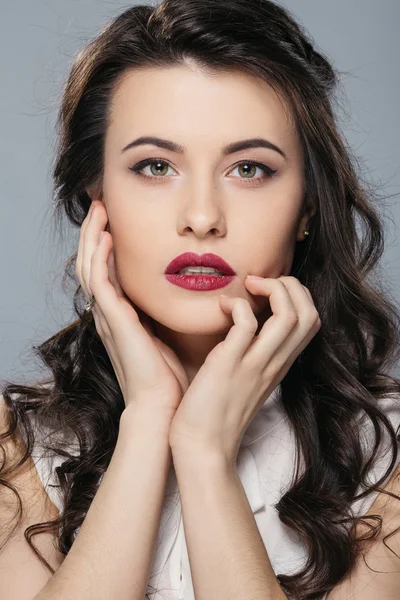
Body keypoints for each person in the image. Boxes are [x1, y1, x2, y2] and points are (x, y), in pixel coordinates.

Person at [1, 0, 399, 598]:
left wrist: (206, 451)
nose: (203, 217)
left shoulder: (387, 459)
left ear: (307, 209)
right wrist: (147, 422)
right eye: (156, 165)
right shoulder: (17, 448)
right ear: (96, 193)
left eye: (250, 169)